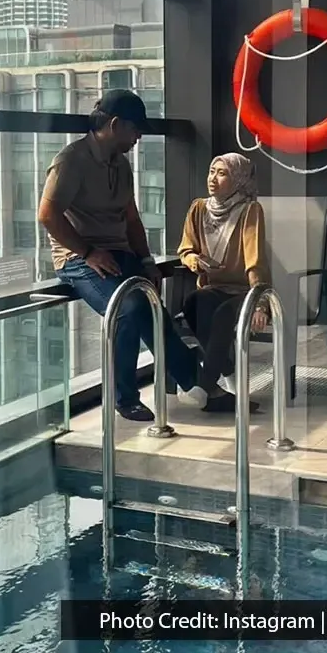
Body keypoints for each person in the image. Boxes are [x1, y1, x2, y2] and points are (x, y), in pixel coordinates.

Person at [38, 89, 234, 422]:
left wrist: (145, 261)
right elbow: (47, 215)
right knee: (127, 308)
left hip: (119, 254)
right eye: (135, 129)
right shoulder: (71, 161)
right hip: (79, 259)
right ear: (115, 125)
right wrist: (87, 252)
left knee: (153, 307)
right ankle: (126, 397)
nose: (139, 137)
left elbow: (131, 218)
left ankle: (195, 386)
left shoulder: (122, 165)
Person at [177, 153, 270, 408]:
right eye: (211, 171)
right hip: (214, 288)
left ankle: (205, 386)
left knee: (222, 314)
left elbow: (255, 261)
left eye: (222, 173)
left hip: (246, 291)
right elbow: (185, 249)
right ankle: (227, 370)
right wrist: (195, 261)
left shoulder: (250, 210)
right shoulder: (198, 208)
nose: (213, 179)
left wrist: (259, 303)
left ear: (239, 180)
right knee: (195, 303)